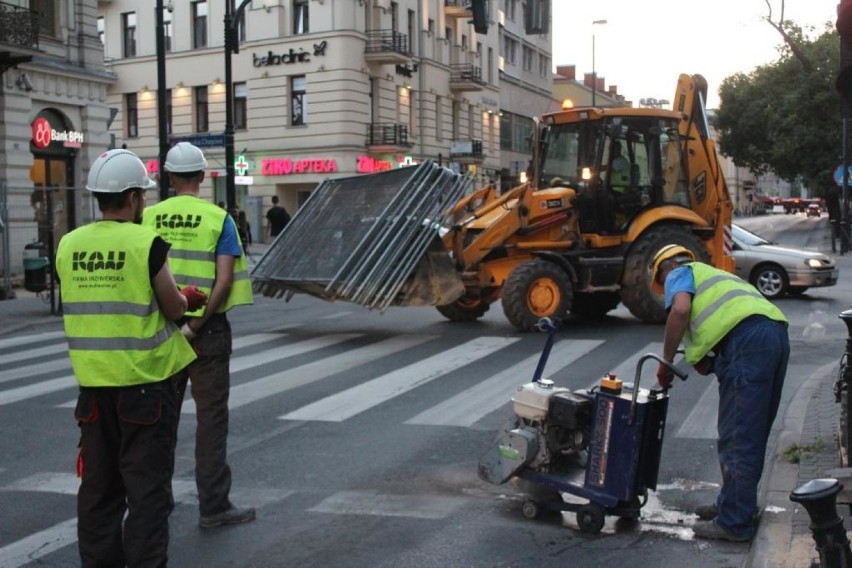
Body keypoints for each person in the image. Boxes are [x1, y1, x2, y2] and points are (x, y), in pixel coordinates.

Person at [55, 149, 207, 566]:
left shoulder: (68, 244)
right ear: (136, 197)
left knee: (99, 494)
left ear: (99, 198)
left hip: (94, 391)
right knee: (147, 496)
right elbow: (174, 309)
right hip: (145, 387)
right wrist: (187, 297)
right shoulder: (147, 243)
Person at [142, 142, 256, 529]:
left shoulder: (149, 217)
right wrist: (197, 325)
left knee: (160, 421)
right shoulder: (217, 218)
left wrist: (177, 325)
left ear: (169, 177)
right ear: (204, 177)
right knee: (210, 421)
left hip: (163, 329)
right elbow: (223, 282)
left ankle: (158, 503)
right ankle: (214, 507)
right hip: (207, 331)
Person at [652, 244, 789, 543]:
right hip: (774, 334)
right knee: (749, 433)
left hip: (747, 342)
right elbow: (711, 341)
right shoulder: (712, 275)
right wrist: (714, 362)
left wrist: (666, 361)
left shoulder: (679, 272)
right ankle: (733, 505)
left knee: (738, 437)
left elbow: (680, 310)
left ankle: (734, 523)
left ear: (665, 270)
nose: (668, 291)